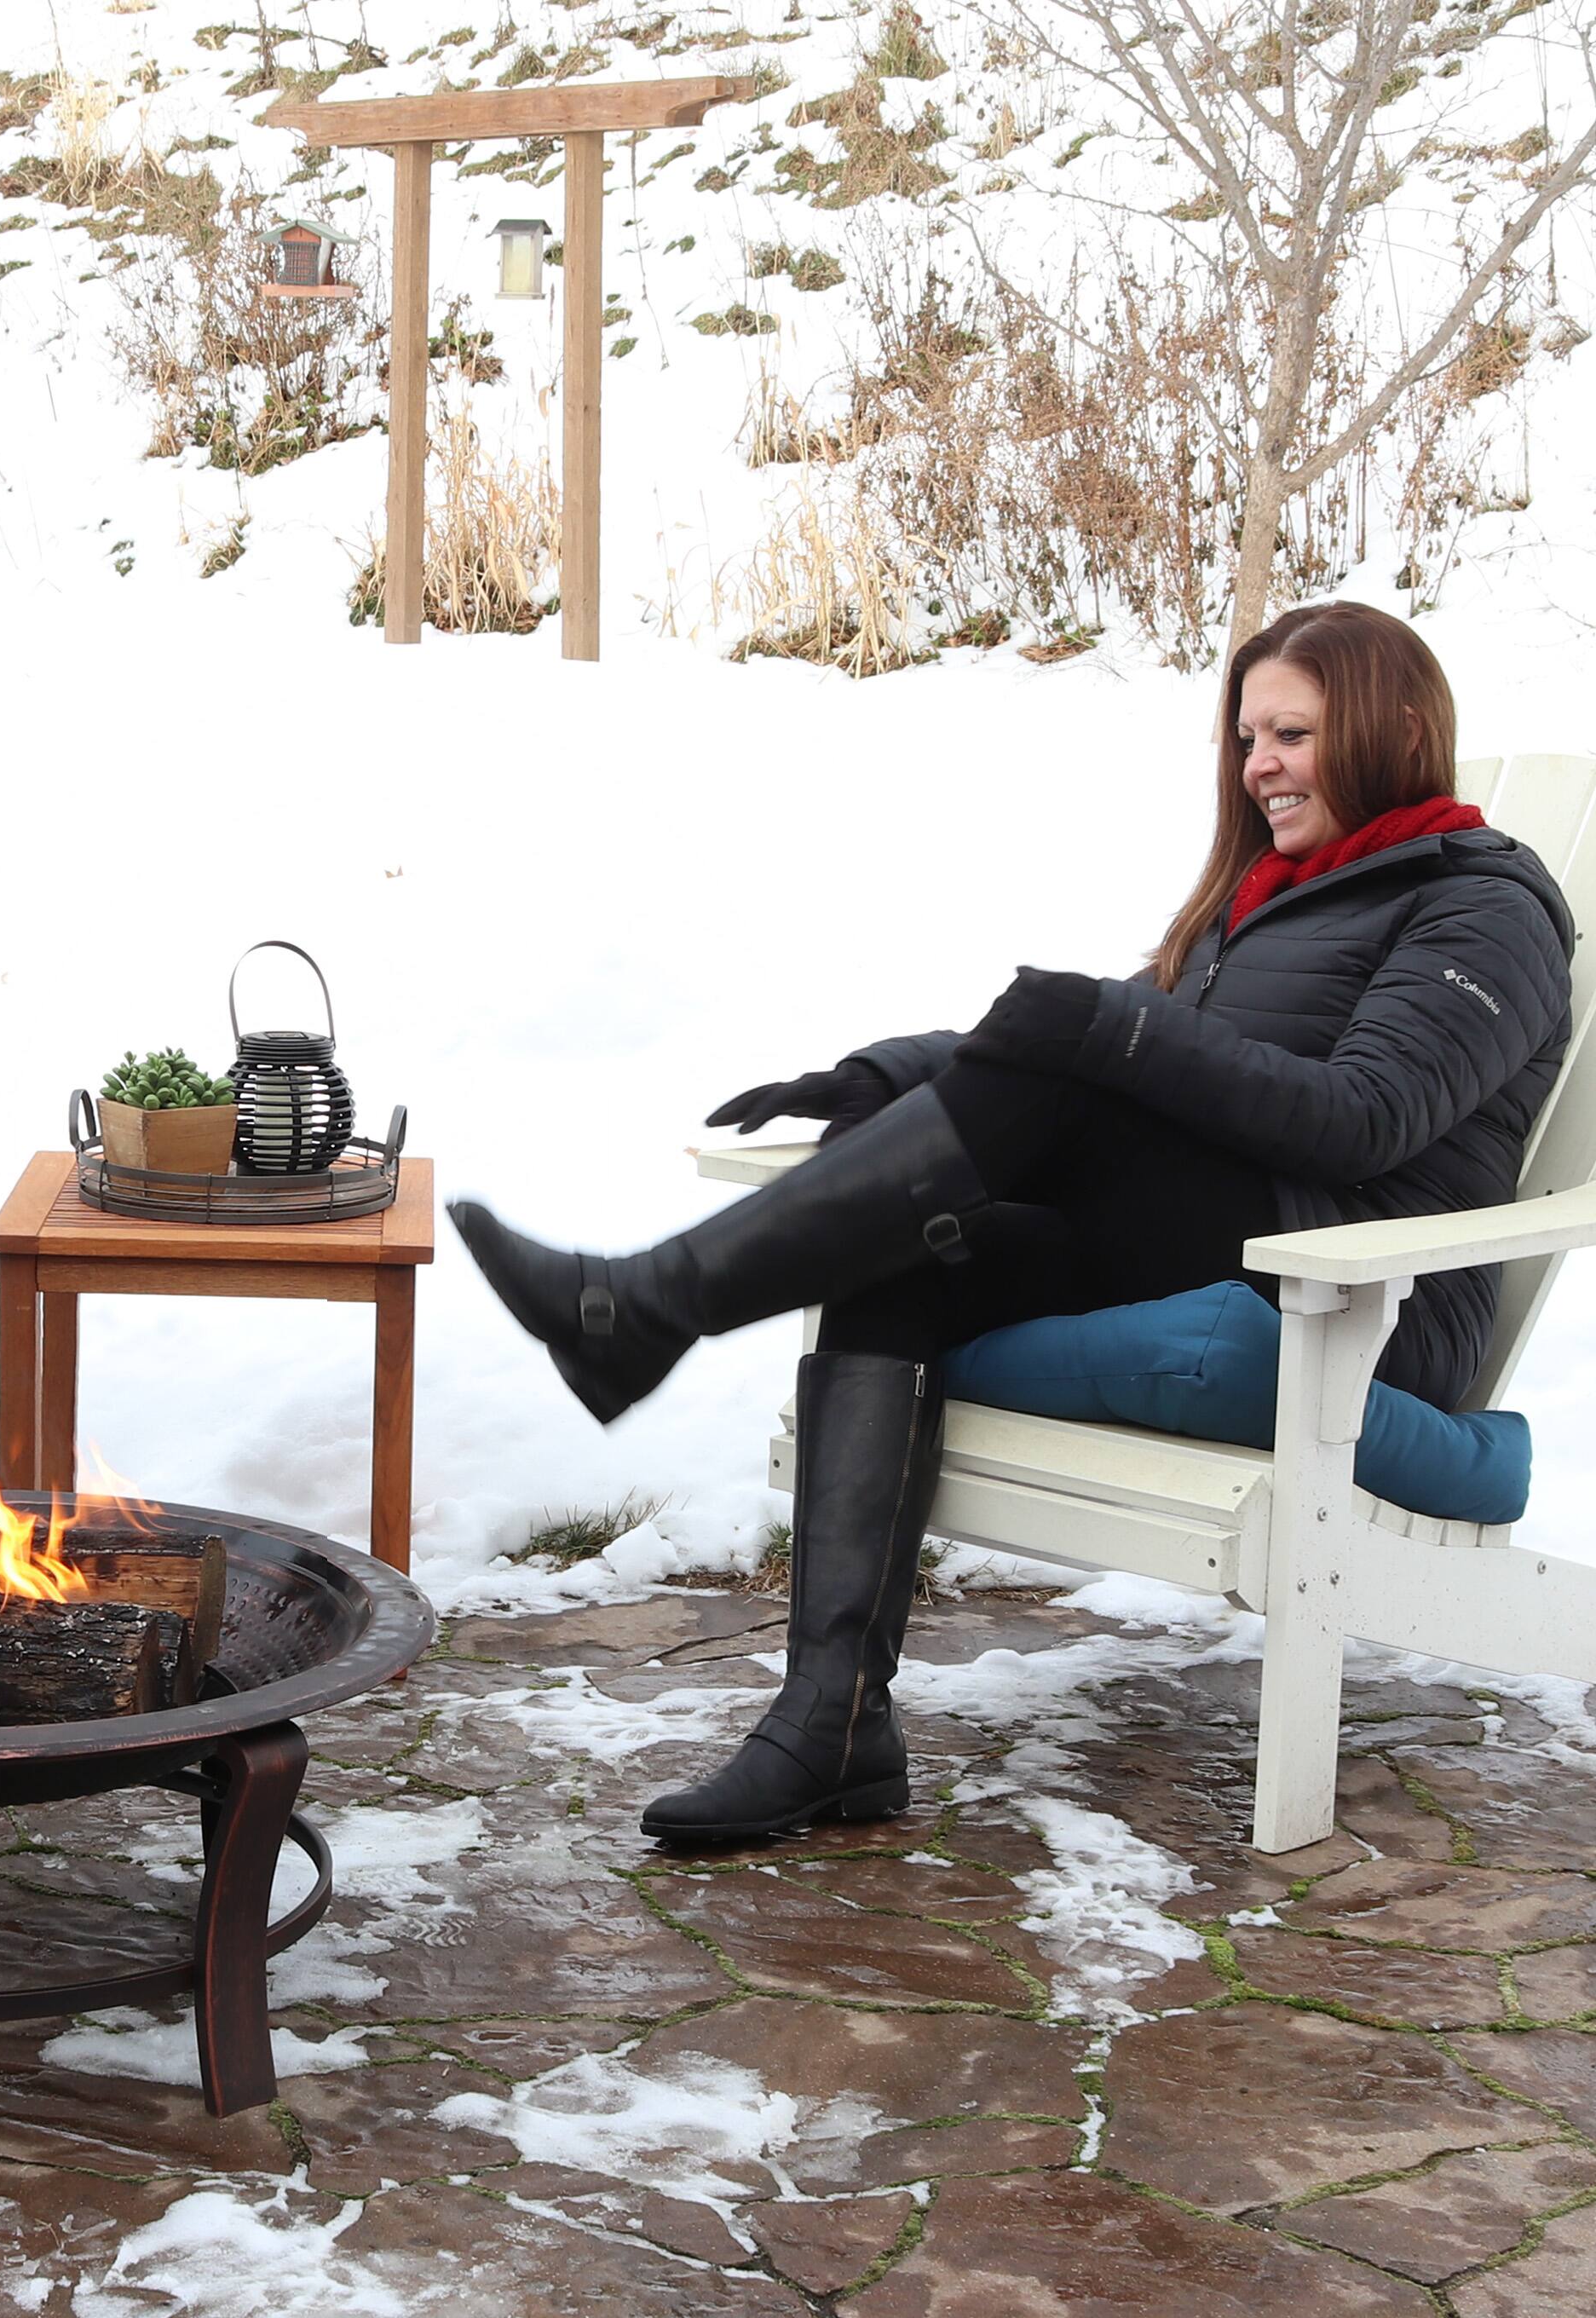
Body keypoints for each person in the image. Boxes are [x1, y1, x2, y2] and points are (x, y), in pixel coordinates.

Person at [451, 602, 1573, 1851]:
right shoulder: (1266, 899)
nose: (1258, 764)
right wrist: (884, 1077)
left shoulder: (1486, 907)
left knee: (1076, 1034)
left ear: (1400, 727)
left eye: (1292, 733)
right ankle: (830, 1726)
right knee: (915, 1241)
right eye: (1248, 734)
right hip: (1219, 1250)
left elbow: (1363, 1119)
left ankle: (648, 1308)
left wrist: (1105, 1031)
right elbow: (1123, 1048)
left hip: (1359, 1302)